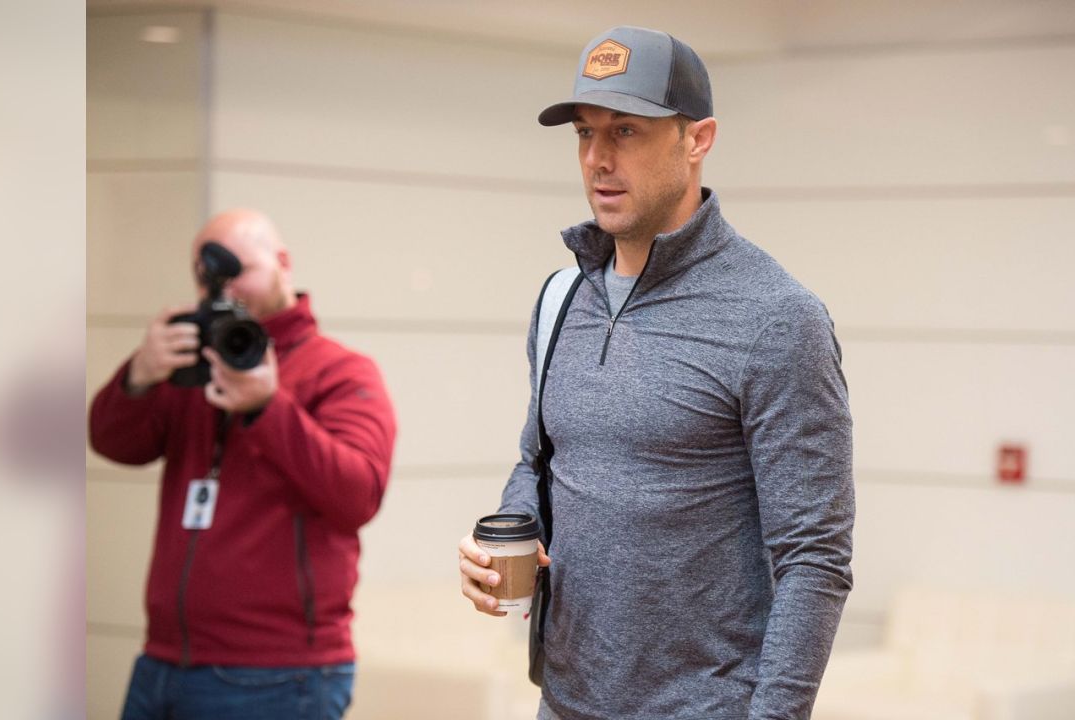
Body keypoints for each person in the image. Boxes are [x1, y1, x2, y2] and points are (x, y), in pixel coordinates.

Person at [457, 26, 854, 720]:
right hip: (565, 702)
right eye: (585, 133)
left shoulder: (776, 318)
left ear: (697, 139)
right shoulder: (561, 300)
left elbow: (814, 559)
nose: (598, 160)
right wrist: (512, 534)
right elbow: (538, 460)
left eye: (627, 132)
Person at [89, 209, 397, 720]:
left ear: (283, 264)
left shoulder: (340, 371)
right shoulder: (193, 366)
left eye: (238, 270)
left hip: (278, 673)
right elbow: (113, 441)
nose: (224, 288)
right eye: (208, 274)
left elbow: (358, 494)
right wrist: (140, 375)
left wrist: (267, 407)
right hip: (163, 660)